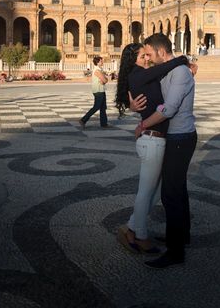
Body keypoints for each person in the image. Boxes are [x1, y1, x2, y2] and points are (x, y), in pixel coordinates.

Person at [114, 43, 190, 255]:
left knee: (155, 192)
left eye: (147, 55)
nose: (147, 59)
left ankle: (131, 227)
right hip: (152, 141)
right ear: (133, 60)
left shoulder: (141, 75)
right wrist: (182, 59)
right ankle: (140, 236)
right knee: (147, 192)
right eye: (142, 56)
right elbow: (163, 68)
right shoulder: (138, 75)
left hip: (155, 140)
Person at [130, 33, 197, 269]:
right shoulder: (169, 70)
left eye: (149, 53)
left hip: (181, 138)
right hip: (174, 137)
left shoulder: (179, 73)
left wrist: (142, 125)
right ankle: (181, 236)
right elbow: (148, 96)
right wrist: (132, 105)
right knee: (178, 190)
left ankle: (175, 252)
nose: (147, 58)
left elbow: (168, 109)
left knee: (170, 194)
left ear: (160, 51)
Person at [79, 56, 109, 128]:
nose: (103, 62)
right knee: (96, 107)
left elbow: (106, 80)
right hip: (98, 91)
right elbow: (105, 80)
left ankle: (104, 124)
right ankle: (83, 120)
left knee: (103, 107)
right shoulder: (97, 70)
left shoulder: (99, 69)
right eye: (101, 61)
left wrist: (104, 80)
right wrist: (104, 79)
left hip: (101, 90)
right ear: (98, 62)